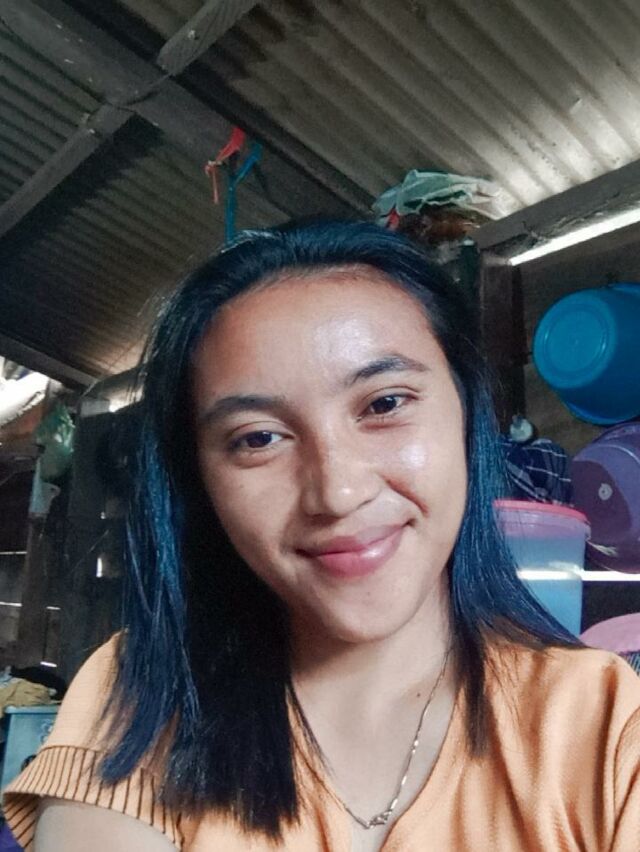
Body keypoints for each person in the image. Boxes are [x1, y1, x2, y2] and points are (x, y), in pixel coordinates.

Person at [3, 222, 639, 851]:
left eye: (384, 404)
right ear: (199, 480)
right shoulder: (146, 690)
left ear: (467, 416)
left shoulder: (607, 725)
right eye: (258, 438)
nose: (337, 492)